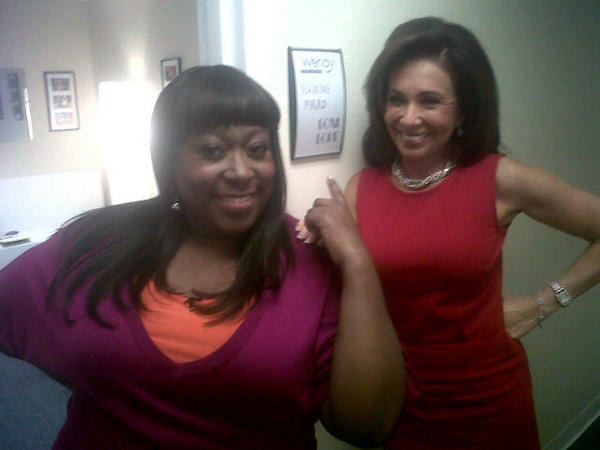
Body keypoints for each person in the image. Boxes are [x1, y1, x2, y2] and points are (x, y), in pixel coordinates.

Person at [0, 65, 405, 449]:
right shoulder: (100, 241)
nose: (241, 171)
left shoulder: (310, 260)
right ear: (169, 161)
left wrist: (357, 260)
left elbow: (366, 425)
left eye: (257, 149)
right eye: (213, 151)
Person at [299, 16, 600, 449]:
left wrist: (544, 303)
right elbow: (352, 286)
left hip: (486, 397)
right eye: (396, 99)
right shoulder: (361, 186)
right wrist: (320, 230)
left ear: (463, 110)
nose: (409, 118)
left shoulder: (500, 178)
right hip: (394, 395)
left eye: (430, 101)